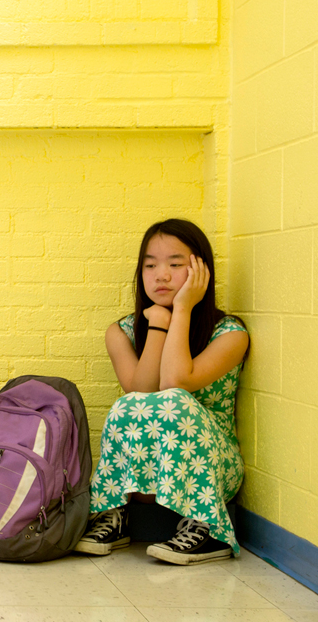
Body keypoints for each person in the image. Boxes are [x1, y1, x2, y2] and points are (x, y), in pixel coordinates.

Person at [74, 219, 249, 565]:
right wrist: (157, 324)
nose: (161, 275)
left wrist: (181, 309)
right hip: (144, 482)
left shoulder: (230, 334)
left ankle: (207, 530)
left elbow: (175, 382)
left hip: (213, 470)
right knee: (130, 405)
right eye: (150, 265)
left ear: (202, 271)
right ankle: (116, 515)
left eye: (175, 264)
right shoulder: (121, 332)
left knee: (174, 401)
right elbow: (142, 389)